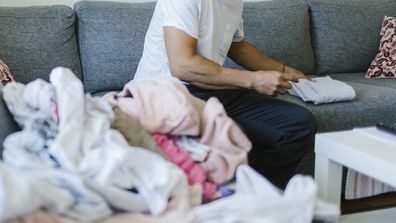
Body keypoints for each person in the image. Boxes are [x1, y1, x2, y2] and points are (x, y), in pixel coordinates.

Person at [134, 0, 317, 188]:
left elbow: (237, 46)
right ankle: (235, 199)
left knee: (299, 124)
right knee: (234, 135)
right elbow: (182, 66)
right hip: (167, 90)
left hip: (209, 85)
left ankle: (253, 197)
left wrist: (285, 71)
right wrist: (254, 80)